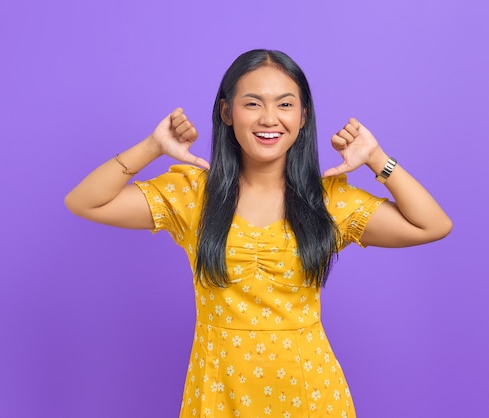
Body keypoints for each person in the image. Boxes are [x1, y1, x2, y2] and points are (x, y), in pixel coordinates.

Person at [65, 49, 452, 417]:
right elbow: (86, 202)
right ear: (227, 112)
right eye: (253, 103)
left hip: (310, 395)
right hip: (218, 393)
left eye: (285, 104)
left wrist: (377, 159)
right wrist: (152, 147)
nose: (270, 118)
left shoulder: (328, 202)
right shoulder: (194, 195)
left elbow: (432, 224)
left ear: (303, 117)